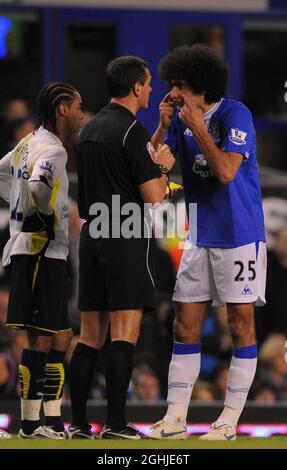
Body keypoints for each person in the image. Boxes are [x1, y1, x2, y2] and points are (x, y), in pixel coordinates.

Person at [148, 45, 266, 441]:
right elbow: (152, 167)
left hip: (239, 236)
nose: (174, 92)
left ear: (201, 86)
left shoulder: (235, 114)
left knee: (239, 324)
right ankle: (174, 420)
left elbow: (227, 171)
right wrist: (164, 127)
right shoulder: (179, 120)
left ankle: (228, 421)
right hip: (198, 235)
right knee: (185, 327)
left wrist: (198, 127)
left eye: (180, 85)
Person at [68, 55, 175, 440]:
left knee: (89, 335)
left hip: (93, 235)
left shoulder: (91, 128)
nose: (150, 90)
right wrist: (164, 166)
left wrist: (160, 132)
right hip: (125, 237)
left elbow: (128, 163)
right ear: (136, 88)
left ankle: (78, 424)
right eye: (147, 83)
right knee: (123, 334)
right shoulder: (130, 131)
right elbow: (153, 196)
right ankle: (115, 425)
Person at [0, 82, 84, 438]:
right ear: (62, 108)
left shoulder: (27, 143)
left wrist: (17, 207)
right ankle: (32, 424)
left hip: (39, 249)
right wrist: (52, 213)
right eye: (78, 107)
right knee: (40, 338)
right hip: (40, 250)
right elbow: (38, 187)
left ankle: (50, 419)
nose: (81, 114)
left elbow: (3, 172)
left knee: (60, 335)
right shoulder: (52, 149)